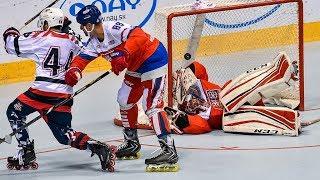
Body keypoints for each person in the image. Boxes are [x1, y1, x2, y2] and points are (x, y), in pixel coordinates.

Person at [64, 5, 179, 172]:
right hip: (136, 66)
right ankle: (132, 142)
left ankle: (169, 151)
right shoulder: (94, 43)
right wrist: (74, 70)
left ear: (90, 24)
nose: (82, 28)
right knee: (124, 99)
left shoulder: (113, 28)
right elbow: (82, 58)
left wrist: (124, 53)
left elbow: (138, 35)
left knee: (152, 106)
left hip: (153, 58)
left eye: (83, 25)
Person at [3, 8, 115, 171]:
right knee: (65, 136)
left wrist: (10, 32)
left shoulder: (38, 37)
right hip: (63, 94)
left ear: (48, 23)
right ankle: (98, 147)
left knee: (14, 111)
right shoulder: (74, 40)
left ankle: (26, 151)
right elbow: (85, 51)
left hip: (40, 93)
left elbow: (10, 46)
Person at [166, 53, 301, 136]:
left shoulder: (193, 81)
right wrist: (184, 122)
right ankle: (289, 122)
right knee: (241, 106)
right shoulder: (180, 108)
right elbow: (203, 126)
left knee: (231, 93)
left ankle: (279, 74)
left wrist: (190, 68)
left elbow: (200, 70)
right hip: (228, 115)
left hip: (229, 94)